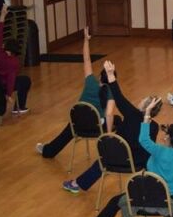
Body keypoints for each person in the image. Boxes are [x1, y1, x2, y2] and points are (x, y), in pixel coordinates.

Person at [73, 98, 173, 217]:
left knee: (115, 201)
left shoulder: (157, 151)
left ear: (166, 138)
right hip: (167, 201)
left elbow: (143, 140)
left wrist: (147, 114)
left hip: (146, 199)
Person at [61, 60, 161, 194]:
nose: (140, 100)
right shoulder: (154, 127)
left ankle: (76, 184)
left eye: (143, 100)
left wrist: (110, 74)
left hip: (115, 158)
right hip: (136, 163)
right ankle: (150, 189)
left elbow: (118, 96)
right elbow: (148, 149)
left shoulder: (131, 113)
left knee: (104, 158)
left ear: (144, 106)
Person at [36, 27, 116, 158]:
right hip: (95, 127)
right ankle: (113, 151)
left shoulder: (90, 81)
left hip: (78, 122)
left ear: (100, 77)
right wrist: (108, 134)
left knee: (70, 129)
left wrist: (86, 40)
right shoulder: (110, 94)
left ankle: (48, 151)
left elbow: (87, 59)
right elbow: (109, 114)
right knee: (118, 121)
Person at [0, 6, 31, 115]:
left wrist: (2, 17)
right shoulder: (14, 62)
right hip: (4, 86)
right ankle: (19, 107)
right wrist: (8, 95)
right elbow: (11, 79)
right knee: (25, 80)